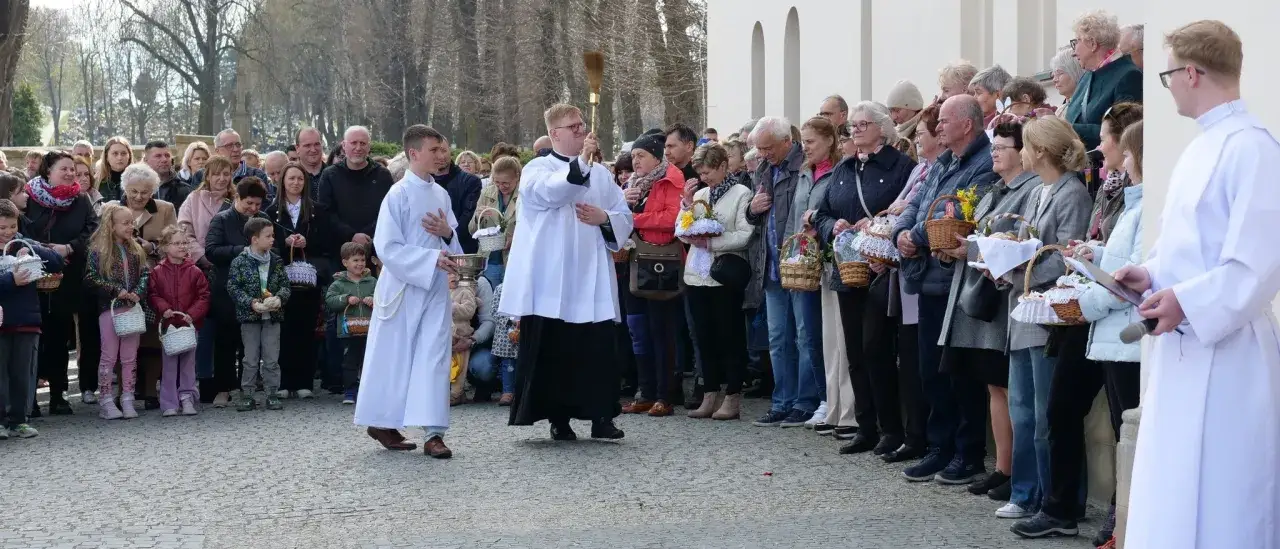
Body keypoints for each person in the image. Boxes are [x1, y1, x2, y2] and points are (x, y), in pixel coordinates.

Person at [1118, 20, 1280, 548]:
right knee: (1172, 488)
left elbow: (1257, 264)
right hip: (1184, 348)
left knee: (1224, 496)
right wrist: (1151, 274)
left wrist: (1187, 301)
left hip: (1231, 354)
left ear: (1191, 73)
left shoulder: (1253, 148)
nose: (1167, 89)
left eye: (1166, 76)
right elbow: (1190, 245)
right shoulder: (1201, 146)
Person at [500, 103, 633, 441]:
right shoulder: (538, 169)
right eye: (573, 127)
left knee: (597, 348)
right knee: (555, 349)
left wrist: (604, 218)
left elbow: (623, 214)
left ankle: (602, 417)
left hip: (591, 274)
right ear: (554, 134)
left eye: (582, 124)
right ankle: (559, 419)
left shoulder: (600, 173)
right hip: (552, 277)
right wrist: (581, 164)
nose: (581, 130)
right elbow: (551, 193)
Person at [354, 124, 461, 459]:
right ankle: (382, 422)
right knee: (394, 356)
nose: (442, 156)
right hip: (402, 288)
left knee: (435, 356)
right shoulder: (397, 195)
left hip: (434, 289)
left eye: (443, 150)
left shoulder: (442, 194)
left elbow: (454, 242)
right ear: (414, 153)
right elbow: (387, 246)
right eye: (434, 150)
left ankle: (434, 433)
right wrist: (430, 259)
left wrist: (447, 234)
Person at [679, 142, 754, 420]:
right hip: (696, 275)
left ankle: (732, 396)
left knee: (729, 337)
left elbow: (745, 234)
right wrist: (687, 207)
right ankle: (709, 394)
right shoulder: (700, 194)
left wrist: (711, 243)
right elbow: (682, 226)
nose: (704, 178)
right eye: (700, 173)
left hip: (724, 276)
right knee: (703, 337)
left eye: (708, 172)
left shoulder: (741, 193)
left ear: (723, 166)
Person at [27, 151, 99, 415]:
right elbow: (19, 228)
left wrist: (69, 248)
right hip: (32, 275)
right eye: (64, 169)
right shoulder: (29, 197)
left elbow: (93, 230)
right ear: (48, 171)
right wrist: (39, 249)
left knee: (59, 335)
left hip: (68, 276)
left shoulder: (81, 200)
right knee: (34, 338)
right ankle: (30, 398)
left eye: (72, 169)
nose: (70, 174)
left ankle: (59, 394)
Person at [267, 162, 334, 399]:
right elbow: (265, 243)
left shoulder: (318, 210)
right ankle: (284, 381)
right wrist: (283, 243)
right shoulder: (271, 211)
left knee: (307, 328)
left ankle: (305, 381)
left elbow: (327, 243)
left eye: (300, 179)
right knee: (283, 329)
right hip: (281, 278)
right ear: (282, 181)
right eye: (291, 178)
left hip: (308, 278)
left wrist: (308, 242)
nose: (295, 183)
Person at [203, 177, 269, 407]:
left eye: (257, 204)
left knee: (250, 342)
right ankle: (223, 387)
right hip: (226, 288)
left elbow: (274, 247)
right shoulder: (222, 219)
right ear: (237, 198)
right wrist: (243, 250)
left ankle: (246, 387)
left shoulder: (263, 219)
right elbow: (211, 251)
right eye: (249, 203)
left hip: (256, 288)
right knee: (225, 341)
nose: (253, 209)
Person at [0, 199, 63, 439]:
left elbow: (56, 261)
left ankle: (19, 419)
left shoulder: (21, 243)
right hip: (2, 321)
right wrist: (11, 280)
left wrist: (32, 250)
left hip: (26, 320)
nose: (8, 232)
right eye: (2, 227)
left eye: (12, 226)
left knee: (23, 373)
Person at [85, 203, 151, 420]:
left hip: (132, 310)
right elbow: (91, 278)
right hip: (110, 309)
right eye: (125, 223)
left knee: (130, 357)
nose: (130, 226)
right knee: (109, 355)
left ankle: (127, 397)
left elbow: (145, 273)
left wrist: (138, 292)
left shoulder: (136, 249)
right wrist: (115, 290)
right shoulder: (99, 250)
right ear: (111, 226)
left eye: (132, 222)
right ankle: (105, 399)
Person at [227, 217, 290, 412]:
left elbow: (285, 285)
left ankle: (272, 393)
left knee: (271, 357)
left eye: (273, 235)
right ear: (254, 239)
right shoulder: (240, 261)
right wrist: (251, 302)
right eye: (268, 236)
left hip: (272, 318)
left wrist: (279, 298)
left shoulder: (276, 260)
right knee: (250, 358)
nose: (272, 239)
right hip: (250, 318)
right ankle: (248, 394)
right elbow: (233, 287)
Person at [147, 226, 209, 417]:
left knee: (188, 365)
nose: (182, 246)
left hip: (189, 325)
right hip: (168, 327)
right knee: (169, 365)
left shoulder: (195, 271)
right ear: (165, 247)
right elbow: (153, 294)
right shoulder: (157, 272)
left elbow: (203, 296)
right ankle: (169, 402)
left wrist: (192, 314)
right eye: (177, 243)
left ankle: (187, 397)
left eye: (184, 243)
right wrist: (163, 308)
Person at [326, 242, 376, 405]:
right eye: (355, 260)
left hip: (371, 329)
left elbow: (383, 297)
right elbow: (330, 300)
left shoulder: (372, 281)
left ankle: (369, 391)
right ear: (345, 262)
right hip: (349, 330)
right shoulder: (338, 283)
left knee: (369, 361)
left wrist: (374, 299)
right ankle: (350, 391)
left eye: (362, 260)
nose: (360, 264)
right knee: (350, 361)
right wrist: (346, 299)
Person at [489, 283, 518, 406]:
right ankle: (508, 391)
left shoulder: (531, 287)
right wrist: (510, 321)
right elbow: (494, 310)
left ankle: (523, 392)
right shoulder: (501, 288)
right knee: (508, 363)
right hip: (506, 333)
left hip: (528, 330)